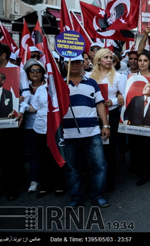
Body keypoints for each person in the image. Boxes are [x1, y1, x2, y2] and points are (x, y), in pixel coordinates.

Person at [62, 54, 110, 208]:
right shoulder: (59, 84)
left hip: (92, 132)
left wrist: (105, 125)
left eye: (77, 62)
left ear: (82, 63)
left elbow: (100, 104)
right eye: (70, 63)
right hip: (68, 134)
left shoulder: (92, 83)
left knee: (99, 165)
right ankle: (76, 197)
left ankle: (97, 195)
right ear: (65, 65)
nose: (74, 65)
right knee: (72, 168)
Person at [21, 59, 65, 198]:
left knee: (55, 156)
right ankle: (45, 186)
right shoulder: (40, 89)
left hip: (56, 128)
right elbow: (34, 108)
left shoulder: (60, 86)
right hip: (40, 129)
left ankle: (59, 185)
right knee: (43, 158)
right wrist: (21, 106)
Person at [88, 48, 126, 192]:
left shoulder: (119, 77)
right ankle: (94, 180)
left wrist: (114, 101)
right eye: (106, 57)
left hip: (112, 115)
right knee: (93, 148)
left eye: (111, 57)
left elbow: (124, 96)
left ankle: (110, 179)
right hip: (92, 116)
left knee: (110, 147)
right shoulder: (89, 77)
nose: (110, 60)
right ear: (98, 60)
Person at [126, 52, 150, 186]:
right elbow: (127, 102)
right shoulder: (131, 78)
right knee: (139, 149)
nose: (141, 63)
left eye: (145, 60)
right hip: (136, 123)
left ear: (149, 62)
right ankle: (143, 174)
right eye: (139, 60)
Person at [0, 43, 22, 201]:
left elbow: (24, 93)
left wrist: (21, 109)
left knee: (9, 157)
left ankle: (12, 189)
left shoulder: (15, 71)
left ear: (3, 56)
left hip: (9, 124)